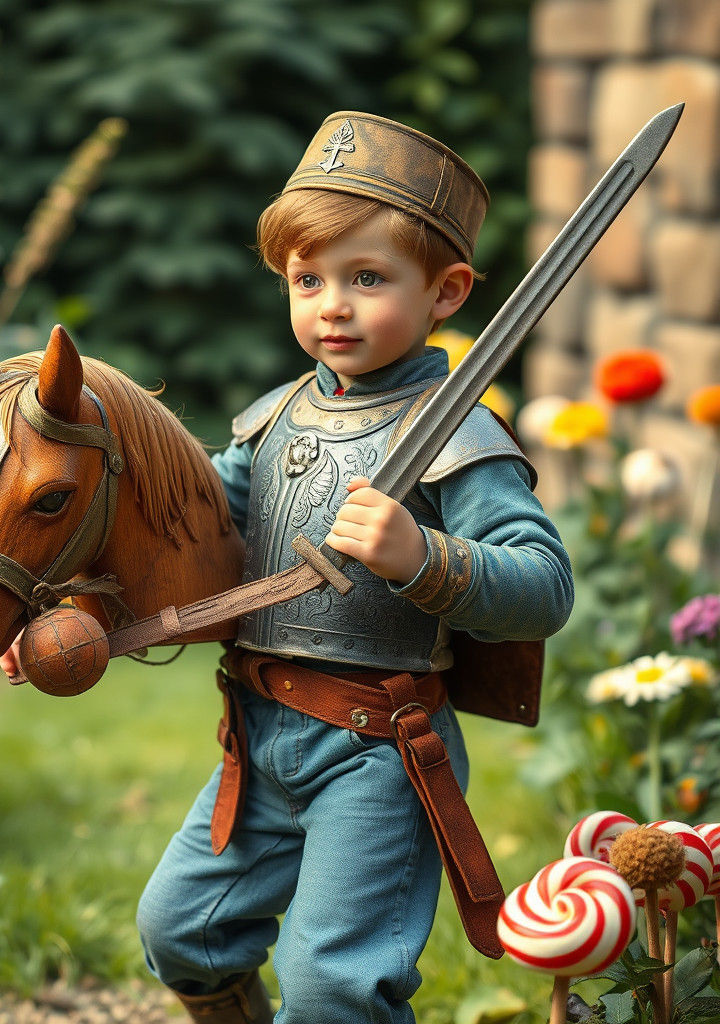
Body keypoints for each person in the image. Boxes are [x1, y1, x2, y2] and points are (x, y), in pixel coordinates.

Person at [134, 112, 574, 1024]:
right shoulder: (272, 420)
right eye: (308, 279)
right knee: (180, 929)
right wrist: (82, 608)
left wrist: (424, 557)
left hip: (377, 748)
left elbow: (545, 588)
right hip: (256, 733)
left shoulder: (462, 438)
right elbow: (191, 543)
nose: (330, 304)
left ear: (446, 290)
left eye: (366, 278)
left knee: (335, 984)